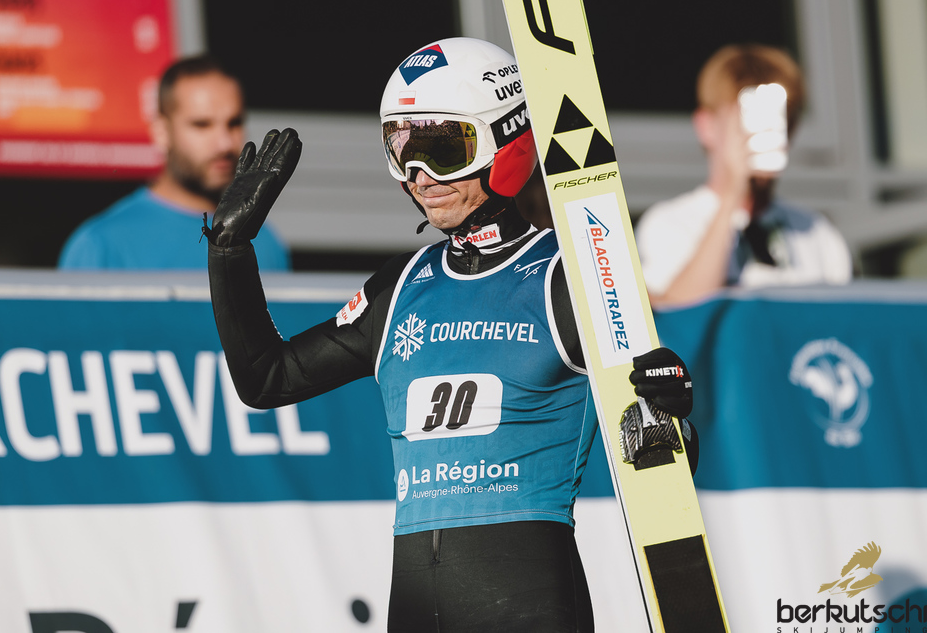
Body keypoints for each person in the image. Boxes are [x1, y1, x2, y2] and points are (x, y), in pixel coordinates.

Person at [204, 38, 698, 632]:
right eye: (401, 148)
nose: (419, 174)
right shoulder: (401, 287)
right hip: (415, 605)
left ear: (505, 141)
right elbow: (265, 379)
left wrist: (670, 409)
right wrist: (230, 251)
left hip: (531, 600)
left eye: (441, 148)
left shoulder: (572, 274)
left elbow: (659, 461)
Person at [635, 44, 852, 307]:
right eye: (750, 119)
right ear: (706, 126)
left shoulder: (818, 234)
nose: (764, 133)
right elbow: (678, 314)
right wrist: (732, 197)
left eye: (778, 119)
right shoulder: (670, 223)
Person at [58, 55, 290, 271]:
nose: (225, 144)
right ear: (161, 132)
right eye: (202, 124)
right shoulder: (100, 245)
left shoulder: (266, 243)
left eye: (234, 123)